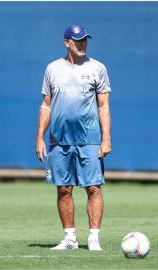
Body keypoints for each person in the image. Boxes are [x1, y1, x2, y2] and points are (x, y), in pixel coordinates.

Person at [35, 25, 112, 251]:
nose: (82, 44)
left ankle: (93, 239)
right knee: (63, 189)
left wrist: (106, 138)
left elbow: (104, 106)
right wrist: (39, 137)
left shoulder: (98, 68)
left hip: (89, 138)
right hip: (59, 139)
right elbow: (46, 105)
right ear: (66, 42)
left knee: (93, 188)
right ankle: (70, 239)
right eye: (77, 40)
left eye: (85, 40)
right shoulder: (52, 69)